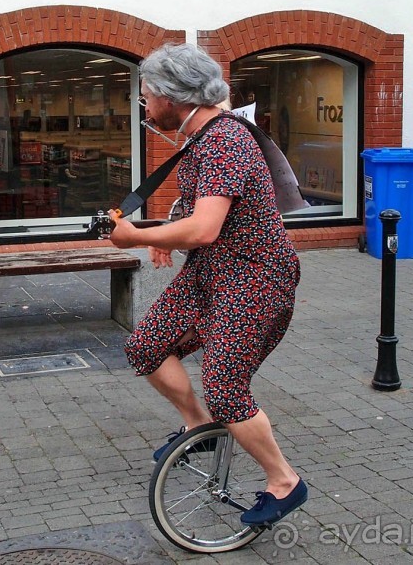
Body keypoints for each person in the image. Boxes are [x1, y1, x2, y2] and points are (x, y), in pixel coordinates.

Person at [108, 42, 306, 527]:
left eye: (147, 95)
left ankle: (284, 481)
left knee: (225, 385)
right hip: (210, 273)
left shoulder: (224, 140)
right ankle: (201, 428)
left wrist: (137, 235)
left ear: (173, 97)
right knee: (147, 346)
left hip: (254, 279)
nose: (145, 106)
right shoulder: (204, 137)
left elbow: (204, 228)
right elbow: (201, 209)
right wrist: (165, 236)